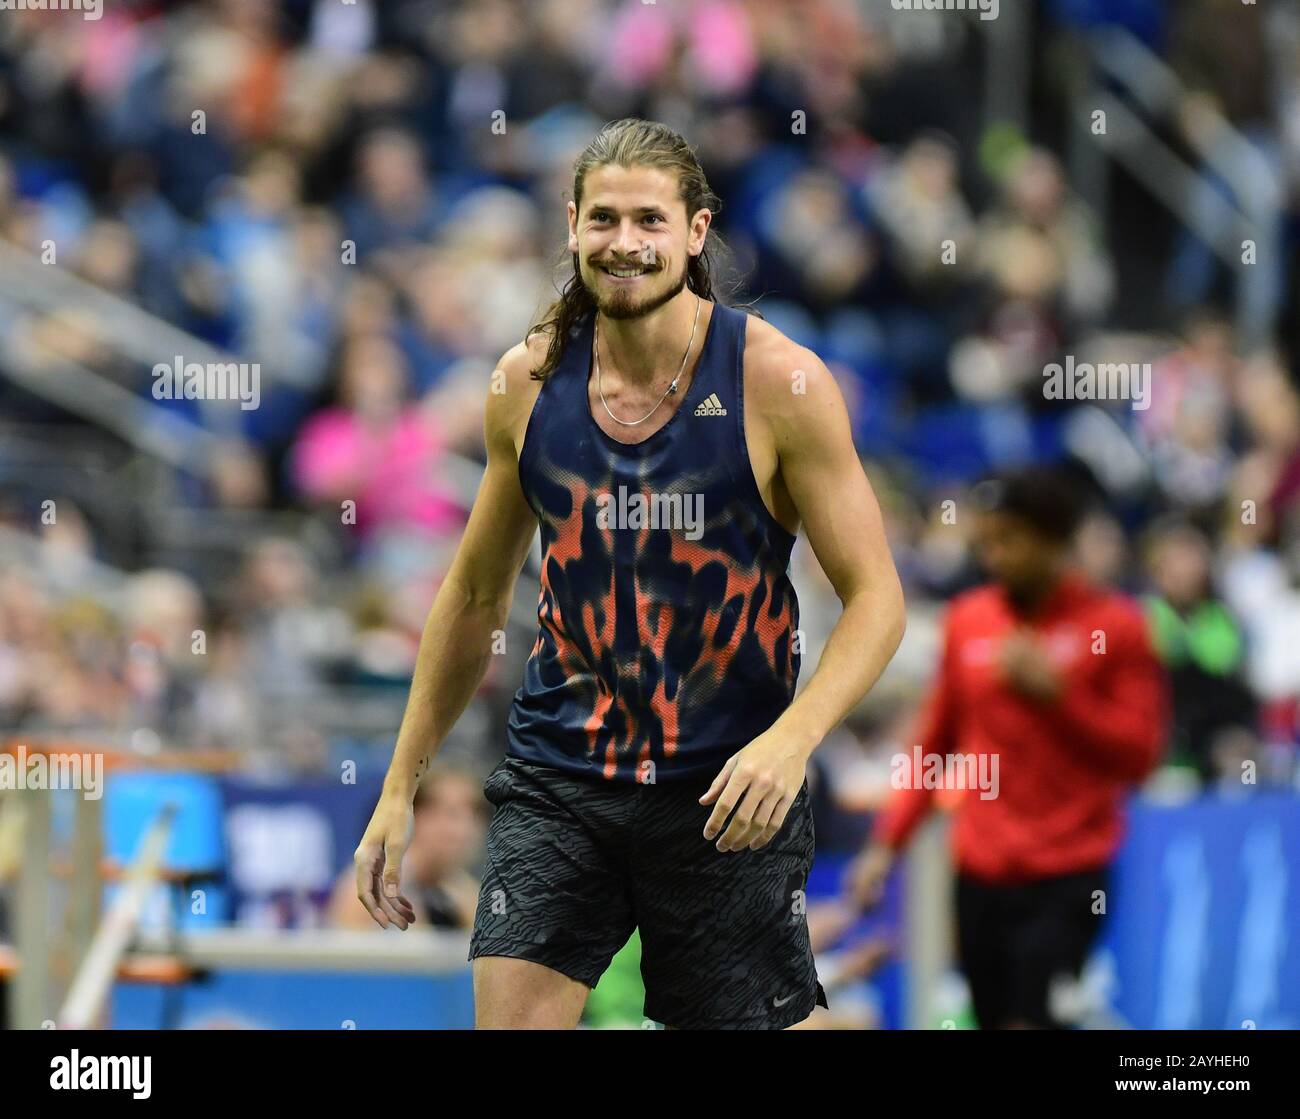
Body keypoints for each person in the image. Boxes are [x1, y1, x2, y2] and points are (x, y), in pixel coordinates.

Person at [354, 118, 905, 1029]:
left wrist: (793, 739)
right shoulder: (525, 383)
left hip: (728, 790)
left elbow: (877, 597)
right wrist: (398, 785)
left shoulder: (781, 383)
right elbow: (476, 594)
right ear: (571, 226)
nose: (624, 244)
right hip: (561, 773)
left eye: (649, 221)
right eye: (603, 220)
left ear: (695, 232)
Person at [848, 468, 1169, 1029]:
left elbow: (1139, 756)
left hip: (1068, 874)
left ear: (1054, 540)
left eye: (1009, 540)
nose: (994, 556)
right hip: (980, 871)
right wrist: (885, 844)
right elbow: (935, 742)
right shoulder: (969, 621)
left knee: (1033, 1020)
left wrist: (1058, 696)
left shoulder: (1117, 628)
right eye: (986, 541)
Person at [329, 767, 483, 931]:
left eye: (474, 814)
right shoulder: (368, 885)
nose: (465, 830)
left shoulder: (462, 893)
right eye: (453, 814)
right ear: (414, 815)